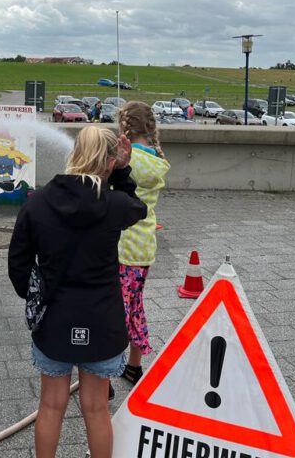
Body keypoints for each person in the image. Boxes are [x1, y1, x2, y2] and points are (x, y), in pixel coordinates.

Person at [8, 127, 147, 458]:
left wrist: (33, 296)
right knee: (96, 409)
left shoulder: (37, 202)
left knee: (51, 405)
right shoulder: (114, 205)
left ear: (74, 153)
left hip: (54, 320)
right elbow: (138, 207)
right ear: (109, 162)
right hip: (102, 322)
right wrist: (124, 171)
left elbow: (18, 265)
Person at [117, 101, 171, 386]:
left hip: (122, 247)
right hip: (144, 247)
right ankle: (133, 367)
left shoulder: (125, 159)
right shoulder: (156, 160)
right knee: (135, 307)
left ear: (124, 127)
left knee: (115, 312)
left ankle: (106, 374)